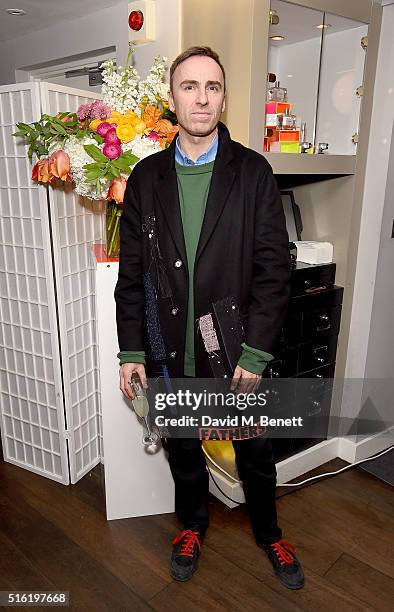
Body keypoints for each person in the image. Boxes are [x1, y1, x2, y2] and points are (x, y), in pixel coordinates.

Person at [115, 46, 305, 590]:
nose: (202, 98)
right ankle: (192, 526)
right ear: (171, 98)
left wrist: (257, 353)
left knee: (255, 451)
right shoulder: (146, 177)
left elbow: (274, 270)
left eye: (213, 87)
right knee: (183, 448)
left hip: (238, 349)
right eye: (190, 86)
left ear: (223, 97)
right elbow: (133, 278)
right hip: (171, 346)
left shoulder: (253, 171)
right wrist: (132, 351)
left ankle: (270, 533)